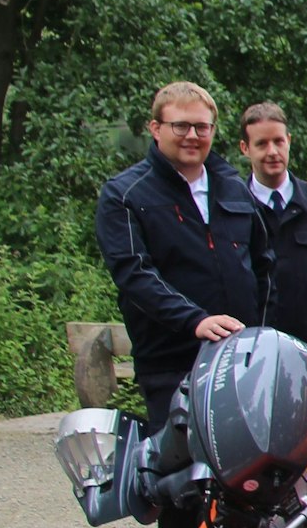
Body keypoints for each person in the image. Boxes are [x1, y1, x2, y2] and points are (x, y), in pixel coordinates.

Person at [96, 81, 274, 433]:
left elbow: (264, 267)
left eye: (202, 127)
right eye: (181, 126)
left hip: (242, 362)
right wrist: (195, 321)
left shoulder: (233, 187)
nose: (192, 135)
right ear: (155, 129)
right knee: (182, 476)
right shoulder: (125, 194)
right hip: (171, 363)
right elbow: (135, 274)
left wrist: (262, 336)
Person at [239, 102, 307, 361]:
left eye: (278, 141)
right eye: (261, 144)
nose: (272, 151)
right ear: (245, 148)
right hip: (253, 348)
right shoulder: (233, 208)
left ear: (289, 141)